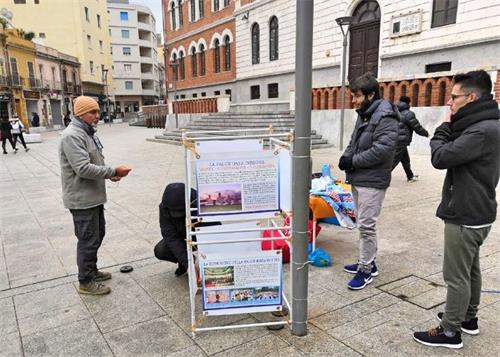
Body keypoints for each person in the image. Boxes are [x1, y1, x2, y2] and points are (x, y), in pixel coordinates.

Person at [413, 71, 499, 349]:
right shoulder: (488, 125)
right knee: (470, 270)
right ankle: (468, 319)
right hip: (478, 209)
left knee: (456, 275)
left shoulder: (481, 130)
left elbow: (441, 157)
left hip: (466, 212)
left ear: (471, 97)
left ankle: (450, 331)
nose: (450, 103)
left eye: (454, 97)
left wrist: (443, 128)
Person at [59, 96, 131, 295]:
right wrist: (112, 171)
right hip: (82, 200)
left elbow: (95, 160)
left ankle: (92, 270)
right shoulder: (72, 135)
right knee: (88, 239)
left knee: (98, 234)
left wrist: (111, 175)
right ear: (80, 114)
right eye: (93, 112)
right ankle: (86, 281)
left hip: (93, 197)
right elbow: (82, 168)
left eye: (98, 112)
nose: (97, 116)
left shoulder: (87, 133)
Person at [337, 72, 399, 290]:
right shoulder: (364, 113)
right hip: (359, 177)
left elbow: (382, 151)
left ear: (371, 95)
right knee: (363, 225)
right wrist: (345, 157)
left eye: (357, 96)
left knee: (366, 226)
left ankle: (366, 270)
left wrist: (353, 160)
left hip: (373, 180)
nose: (353, 100)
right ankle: (368, 262)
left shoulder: (386, 116)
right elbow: (354, 140)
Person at [154, 182, 197, 277]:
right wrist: (188, 264)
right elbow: (170, 237)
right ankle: (186, 262)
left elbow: (214, 232)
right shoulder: (165, 207)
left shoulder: (200, 202)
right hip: (182, 235)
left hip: (200, 234)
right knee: (161, 250)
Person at [392, 96, 429, 182]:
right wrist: (426, 133)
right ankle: (380, 178)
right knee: (393, 161)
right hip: (401, 141)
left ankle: (410, 176)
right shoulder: (408, 114)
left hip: (395, 139)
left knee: (405, 160)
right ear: (408, 103)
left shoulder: (394, 111)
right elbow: (417, 127)